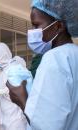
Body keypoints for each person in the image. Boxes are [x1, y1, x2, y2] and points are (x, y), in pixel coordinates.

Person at [7, 0, 78, 129]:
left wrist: (21, 99)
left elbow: (45, 125)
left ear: (59, 26)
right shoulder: (74, 54)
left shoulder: (54, 58)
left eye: (36, 25)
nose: (32, 32)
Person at [0, 42, 33, 130]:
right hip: (7, 119)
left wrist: (1, 91)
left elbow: (20, 93)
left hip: (17, 120)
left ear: (1, 54)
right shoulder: (3, 72)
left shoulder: (14, 69)